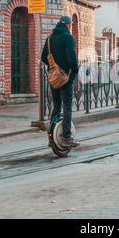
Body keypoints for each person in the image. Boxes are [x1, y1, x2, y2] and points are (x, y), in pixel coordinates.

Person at [41, 15, 79, 148]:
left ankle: (51, 138)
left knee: (56, 106)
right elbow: (72, 60)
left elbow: (44, 57)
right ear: (68, 25)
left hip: (54, 78)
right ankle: (66, 137)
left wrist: (54, 68)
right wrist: (73, 72)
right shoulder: (68, 38)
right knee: (67, 106)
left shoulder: (50, 38)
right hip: (65, 78)